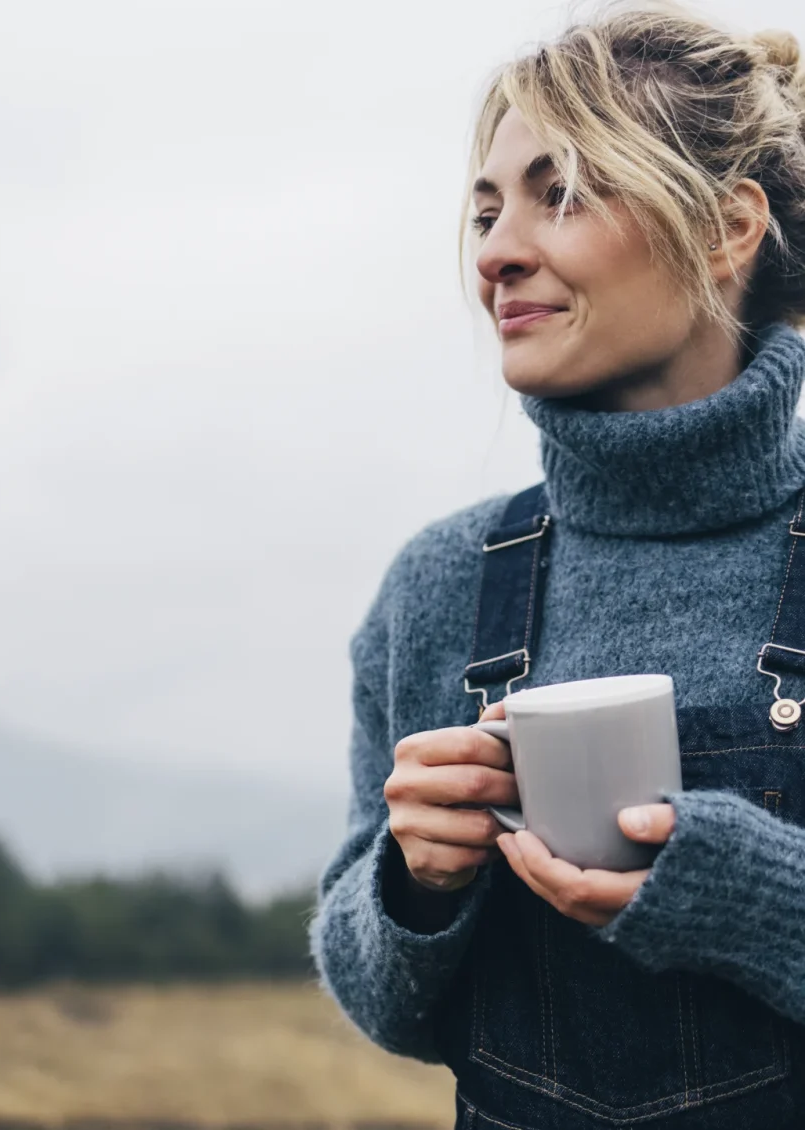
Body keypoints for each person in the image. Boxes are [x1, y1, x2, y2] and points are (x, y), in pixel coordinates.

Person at [310, 3, 805, 1127]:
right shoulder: (440, 582)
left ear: (728, 229)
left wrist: (743, 891)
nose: (494, 253)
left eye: (563, 192)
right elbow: (381, 1005)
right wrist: (413, 882)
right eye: (486, 211)